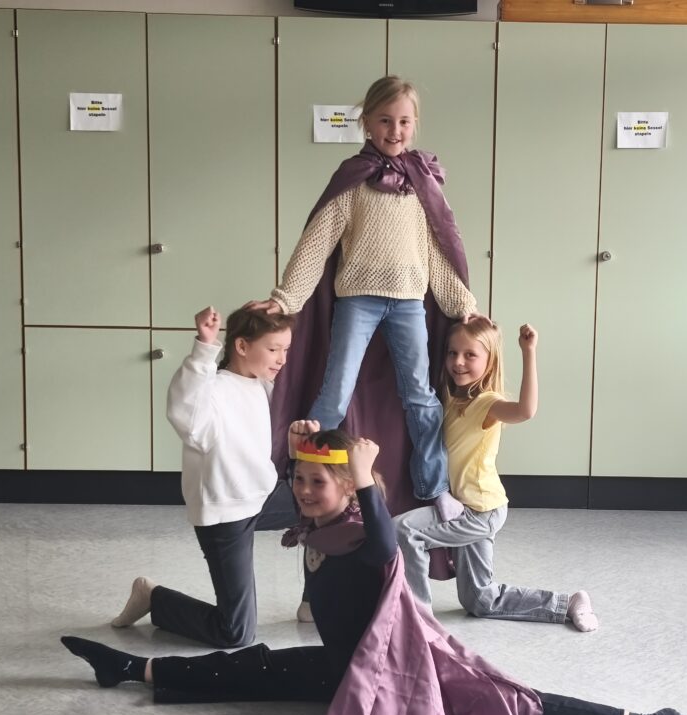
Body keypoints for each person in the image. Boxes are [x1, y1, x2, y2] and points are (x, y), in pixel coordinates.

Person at [63, 429, 687, 715]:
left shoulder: (361, 531)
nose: (304, 491)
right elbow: (292, 488)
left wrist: (362, 479)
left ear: (349, 491)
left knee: (516, 703)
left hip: (405, 672)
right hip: (346, 665)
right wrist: (304, 448)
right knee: (251, 666)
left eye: (317, 484)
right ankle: (131, 669)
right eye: (299, 480)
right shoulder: (319, 524)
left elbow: (386, 547)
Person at [250, 75, 479, 526]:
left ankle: (434, 488)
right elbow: (317, 242)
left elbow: (437, 247)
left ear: (415, 124)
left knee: (421, 397)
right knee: (335, 394)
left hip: (409, 302)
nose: (395, 130)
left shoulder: (421, 182)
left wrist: (461, 303)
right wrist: (286, 297)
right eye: (385, 120)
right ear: (367, 123)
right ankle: (306, 480)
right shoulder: (354, 180)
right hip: (358, 300)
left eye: (405, 121)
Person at [109, 305, 302, 647]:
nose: (282, 359)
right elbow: (185, 413)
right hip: (225, 513)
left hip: (263, 497)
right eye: (274, 349)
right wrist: (205, 345)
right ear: (241, 346)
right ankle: (153, 597)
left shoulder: (263, 385)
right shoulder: (213, 390)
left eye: (286, 349)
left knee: (334, 505)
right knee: (236, 633)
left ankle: (314, 601)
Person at [395, 319, 600, 631]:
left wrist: (528, 352)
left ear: (490, 362)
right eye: (452, 353)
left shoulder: (487, 403)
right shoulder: (449, 398)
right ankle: (569, 603)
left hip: (480, 510)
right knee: (480, 600)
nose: (458, 362)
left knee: (404, 530)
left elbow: (525, 411)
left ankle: (417, 619)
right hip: (465, 506)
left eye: (470, 355)